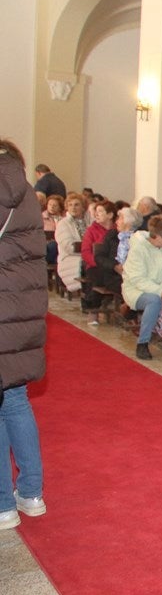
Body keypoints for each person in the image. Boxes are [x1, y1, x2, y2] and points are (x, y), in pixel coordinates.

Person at [0, 140, 48, 530]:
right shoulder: (27, 193)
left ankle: (2, 504)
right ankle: (31, 494)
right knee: (15, 399)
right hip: (23, 308)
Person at [122, 215, 162, 360]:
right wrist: (160, 292)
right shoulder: (138, 249)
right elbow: (138, 278)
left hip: (161, 289)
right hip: (136, 290)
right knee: (154, 301)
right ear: (157, 236)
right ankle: (143, 342)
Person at [54, 192, 87, 293]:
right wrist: (87, 250)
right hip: (69, 257)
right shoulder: (63, 224)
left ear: (83, 207)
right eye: (70, 205)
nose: (73, 207)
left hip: (86, 254)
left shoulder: (88, 222)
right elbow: (68, 246)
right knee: (86, 264)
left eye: (77, 204)